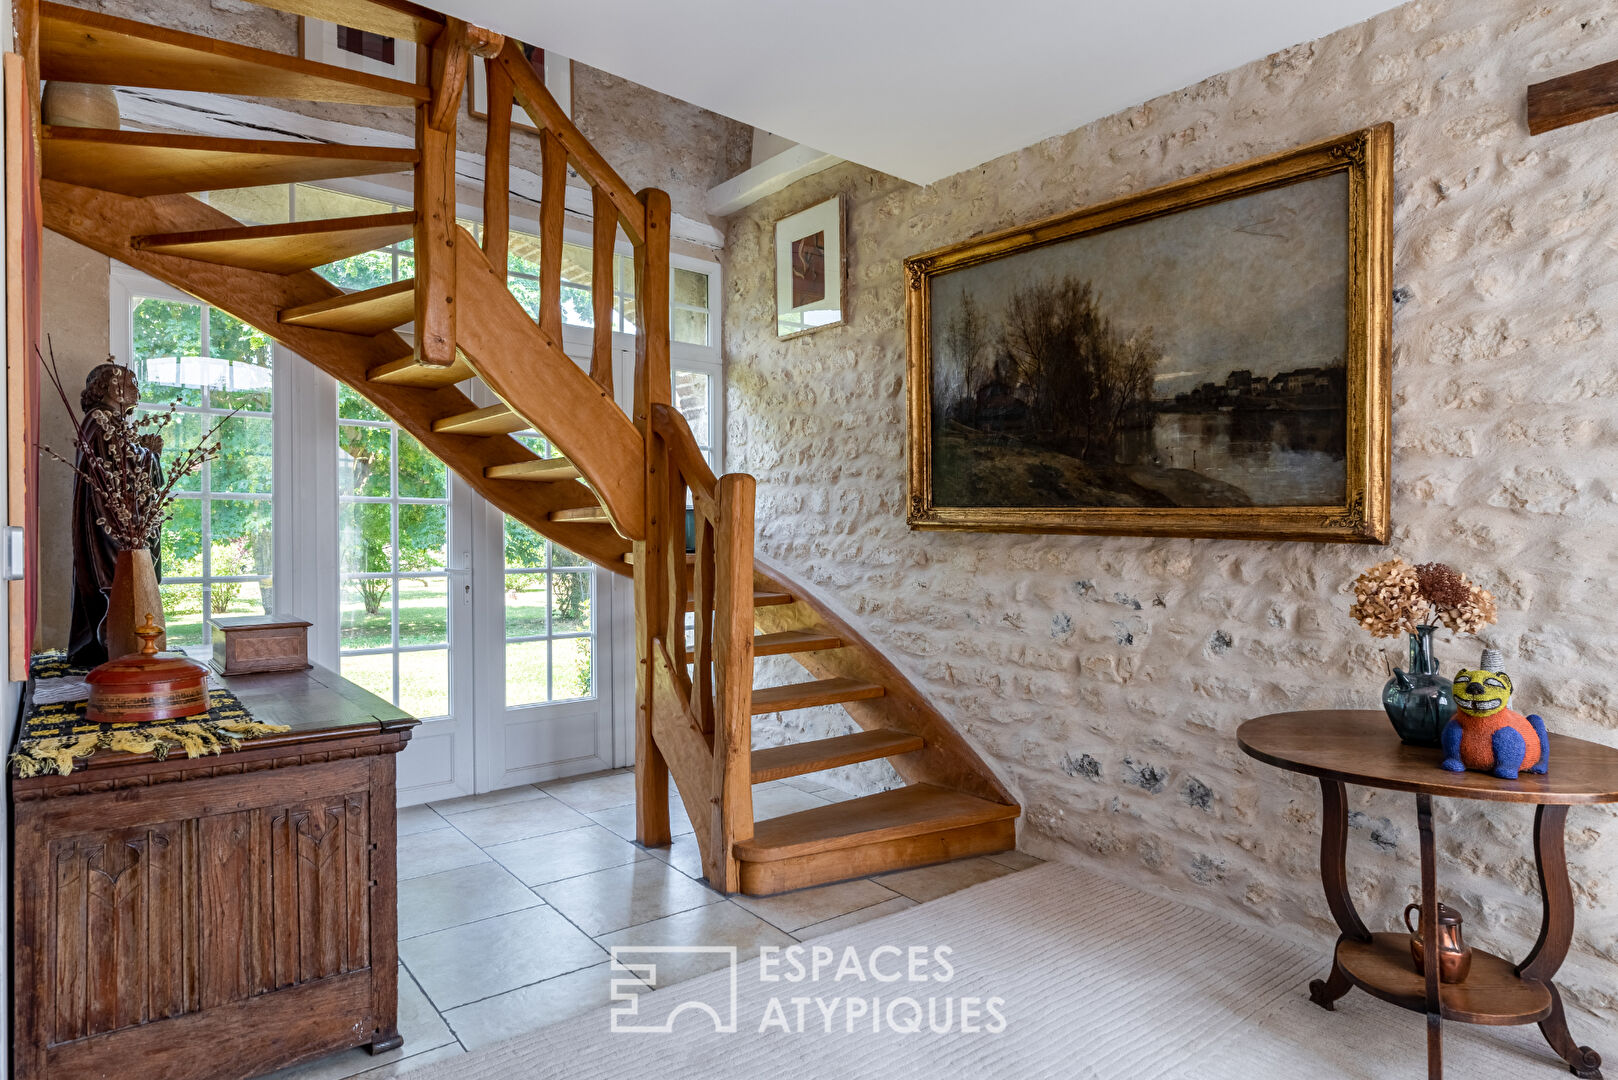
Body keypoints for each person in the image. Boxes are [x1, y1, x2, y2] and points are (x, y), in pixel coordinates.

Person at [66, 362, 163, 665]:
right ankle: (114, 646)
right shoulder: (101, 422)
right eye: (131, 383)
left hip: (111, 522)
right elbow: (122, 471)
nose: (137, 390)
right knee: (118, 586)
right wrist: (150, 453)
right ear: (110, 388)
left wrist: (143, 450)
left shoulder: (105, 423)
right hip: (109, 528)